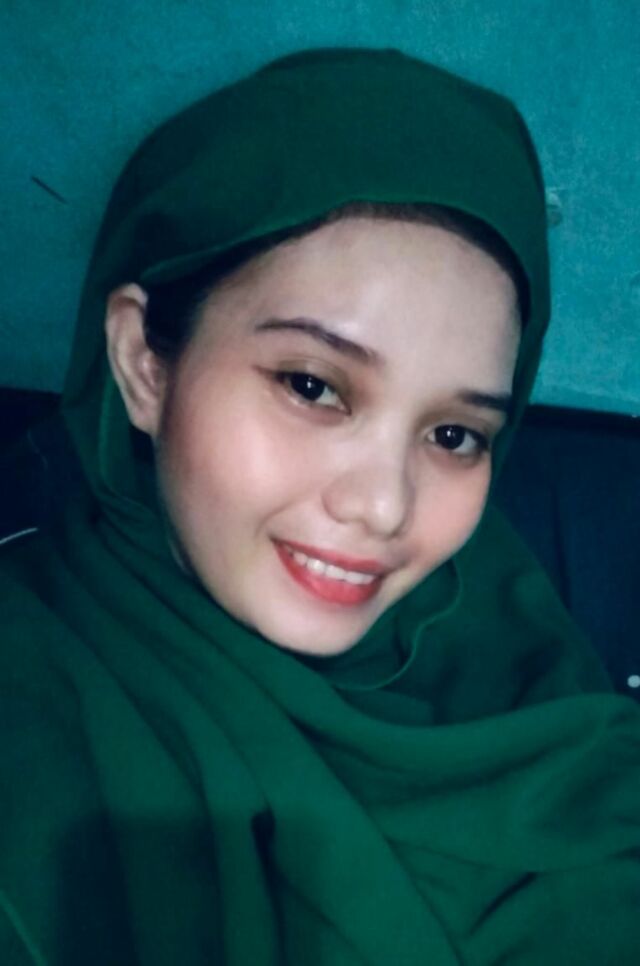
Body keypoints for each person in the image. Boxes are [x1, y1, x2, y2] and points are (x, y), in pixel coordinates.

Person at [1, 47, 639, 966]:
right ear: (144, 363)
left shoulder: (509, 641)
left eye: (454, 434)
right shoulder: (32, 697)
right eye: (312, 385)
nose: (383, 507)